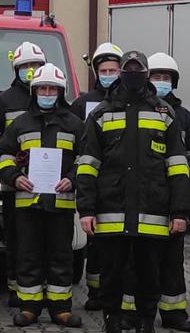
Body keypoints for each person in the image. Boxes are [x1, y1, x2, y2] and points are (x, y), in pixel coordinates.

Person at [79, 51, 190, 333]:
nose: (133, 75)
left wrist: (179, 211)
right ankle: (112, 321)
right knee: (112, 273)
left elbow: (178, 166)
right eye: (127, 70)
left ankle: (146, 322)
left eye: (138, 70)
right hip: (111, 211)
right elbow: (87, 165)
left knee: (149, 274)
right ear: (121, 74)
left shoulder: (164, 113)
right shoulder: (101, 113)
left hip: (152, 211)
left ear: (145, 74)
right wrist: (86, 210)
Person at [0, 61, 82, 328]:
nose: (47, 93)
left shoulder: (75, 125)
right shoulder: (21, 124)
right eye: (42, 88)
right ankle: (29, 307)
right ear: (34, 92)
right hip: (27, 204)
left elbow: (86, 159)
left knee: (61, 256)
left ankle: (61, 309)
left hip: (61, 204)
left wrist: (71, 179)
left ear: (61, 92)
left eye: (52, 89)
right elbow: (3, 156)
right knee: (28, 255)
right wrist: (15, 176)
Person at [0, 42, 49, 314]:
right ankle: (16, 288)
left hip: (50, 186)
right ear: (17, 69)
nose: (31, 71)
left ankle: (44, 287)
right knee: (16, 238)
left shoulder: (55, 98)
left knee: (48, 240)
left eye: (35, 66)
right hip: (16, 185)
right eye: (25, 66)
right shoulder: (2, 102)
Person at [145, 52, 190, 332]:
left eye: (166, 77)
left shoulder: (185, 117)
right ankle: (137, 313)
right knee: (141, 259)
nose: (161, 82)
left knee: (172, 259)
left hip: (175, 194)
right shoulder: (140, 109)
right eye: (156, 77)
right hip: (146, 196)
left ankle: (174, 312)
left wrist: (183, 164)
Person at [72, 42, 124, 310]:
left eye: (113, 69)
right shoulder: (83, 102)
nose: (109, 74)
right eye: (104, 70)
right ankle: (95, 293)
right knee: (94, 243)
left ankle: (116, 292)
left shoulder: (128, 101)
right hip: (92, 179)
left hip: (119, 182)